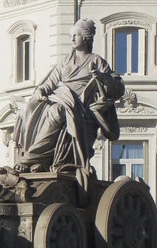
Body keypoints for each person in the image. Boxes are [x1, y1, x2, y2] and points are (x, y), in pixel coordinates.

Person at [12, 18, 123, 179]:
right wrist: (41, 90)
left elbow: (118, 87)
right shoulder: (65, 61)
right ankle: (40, 159)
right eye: (71, 35)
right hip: (61, 96)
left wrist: (101, 77)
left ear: (86, 37)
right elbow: (51, 82)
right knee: (29, 107)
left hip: (80, 105)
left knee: (57, 111)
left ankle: (30, 158)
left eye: (76, 35)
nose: (72, 38)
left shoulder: (96, 61)